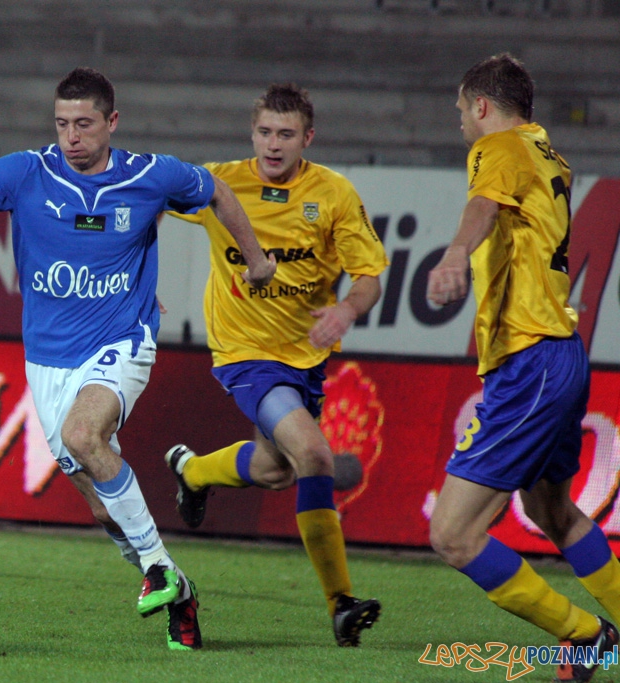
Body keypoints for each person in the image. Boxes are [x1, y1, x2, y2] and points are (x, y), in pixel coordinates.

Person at [0, 67, 276, 651]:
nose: (72, 136)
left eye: (85, 124)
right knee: (101, 507)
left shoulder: (149, 176)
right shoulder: (25, 172)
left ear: (111, 123)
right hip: (46, 361)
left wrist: (256, 257)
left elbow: (217, 191)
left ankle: (158, 570)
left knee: (82, 434)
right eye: (62, 123)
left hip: (122, 339)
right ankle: (181, 592)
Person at [163, 83, 388, 647]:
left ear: (307, 138)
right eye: (264, 131)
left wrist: (346, 309)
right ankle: (341, 602)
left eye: (286, 134)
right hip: (244, 354)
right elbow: (145, 202)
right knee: (314, 454)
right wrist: (139, 289)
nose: (273, 144)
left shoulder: (333, 195)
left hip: (305, 358)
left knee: (275, 469)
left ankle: (191, 472)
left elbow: (370, 277)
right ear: (252, 133)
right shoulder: (221, 181)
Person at [426, 53, 620, 683]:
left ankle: (587, 636)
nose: (460, 123)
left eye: (461, 111)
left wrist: (455, 253)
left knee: (453, 535)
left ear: (482, 105)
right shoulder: (548, 155)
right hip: (561, 353)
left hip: (531, 359)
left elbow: (484, 205)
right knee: (550, 510)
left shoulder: (500, 145)